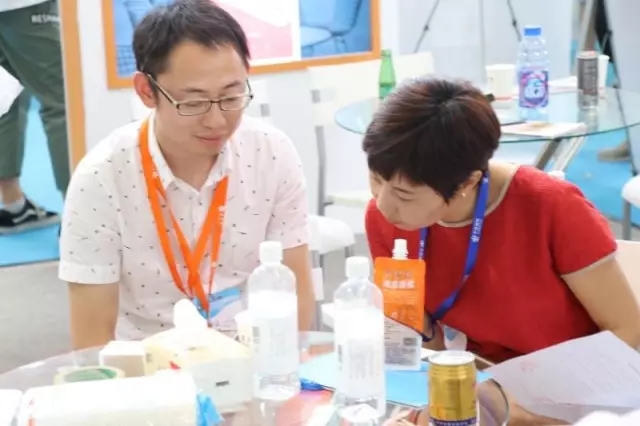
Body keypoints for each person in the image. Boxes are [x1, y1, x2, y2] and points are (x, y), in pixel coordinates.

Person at [363, 77, 640, 425]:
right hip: (473, 388)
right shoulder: (385, 219)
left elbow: (626, 329)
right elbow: (420, 341)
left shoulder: (550, 208)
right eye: (376, 179)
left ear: (466, 182)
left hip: (570, 398)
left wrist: (519, 405)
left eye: (404, 194)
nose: (383, 204)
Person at [59, 0, 315, 350]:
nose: (217, 121)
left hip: (253, 354)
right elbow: (92, 340)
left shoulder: (271, 153)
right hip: (149, 364)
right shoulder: (101, 179)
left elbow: (295, 289)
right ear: (147, 91)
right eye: (193, 103)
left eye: (231, 96)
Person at [0, 0, 69, 234]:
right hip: (25, 7)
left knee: (7, 96)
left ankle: (14, 205)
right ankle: (79, 218)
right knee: (64, 100)